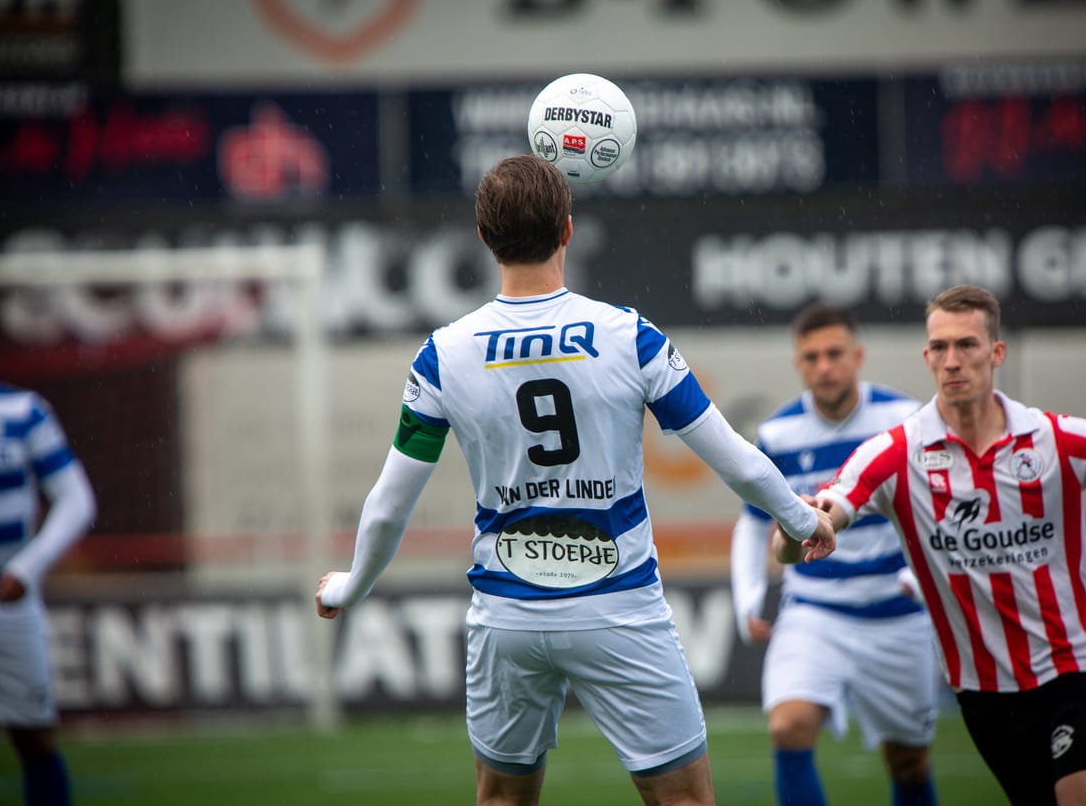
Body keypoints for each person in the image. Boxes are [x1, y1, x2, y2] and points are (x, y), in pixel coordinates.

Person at [315, 154, 836, 806]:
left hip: (509, 613)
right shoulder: (630, 337)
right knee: (684, 801)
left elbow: (391, 503)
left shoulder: (443, 355)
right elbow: (734, 457)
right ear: (567, 229)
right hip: (617, 608)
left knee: (503, 800)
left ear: (482, 239)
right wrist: (801, 517)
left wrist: (351, 583)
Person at [779, 284, 1086, 806]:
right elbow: (821, 517)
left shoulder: (1054, 438)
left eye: (966, 345)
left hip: (1074, 666)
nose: (952, 361)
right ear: (926, 357)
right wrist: (800, 529)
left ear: (997, 353)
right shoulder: (897, 454)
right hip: (984, 691)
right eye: (939, 348)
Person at [729, 304, 937, 806]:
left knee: (908, 761)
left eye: (835, 354)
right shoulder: (778, 435)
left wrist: (920, 576)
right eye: (811, 356)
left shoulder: (903, 421)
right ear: (798, 365)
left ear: (858, 356)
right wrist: (749, 598)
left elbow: (935, 512)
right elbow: (752, 524)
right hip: (816, 612)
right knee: (788, 726)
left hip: (898, 613)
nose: (824, 366)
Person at [0, 307, 98, 806]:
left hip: (5, 599)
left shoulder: (22, 412)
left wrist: (26, 569)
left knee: (33, 737)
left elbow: (77, 500)